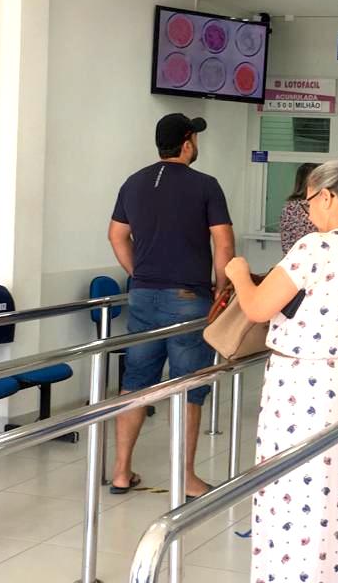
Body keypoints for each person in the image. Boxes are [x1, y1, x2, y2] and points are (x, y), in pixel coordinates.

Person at [224, 156, 338, 583]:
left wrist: (239, 273)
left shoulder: (315, 247)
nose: (307, 209)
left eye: (310, 199)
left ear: (330, 196)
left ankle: (294, 575)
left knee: (297, 491)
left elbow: (259, 307)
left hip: (305, 388)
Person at [107, 113, 234, 498]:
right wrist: (222, 287)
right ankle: (186, 476)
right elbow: (223, 244)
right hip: (188, 299)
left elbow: (116, 236)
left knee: (135, 385)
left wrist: (139, 272)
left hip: (143, 294)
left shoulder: (133, 183)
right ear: (187, 142)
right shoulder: (205, 186)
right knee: (188, 388)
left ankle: (120, 471)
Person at [278, 162, 319, 253]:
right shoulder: (291, 207)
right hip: (299, 259)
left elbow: (285, 241)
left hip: (314, 259)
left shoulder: (289, 206)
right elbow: (286, 240)